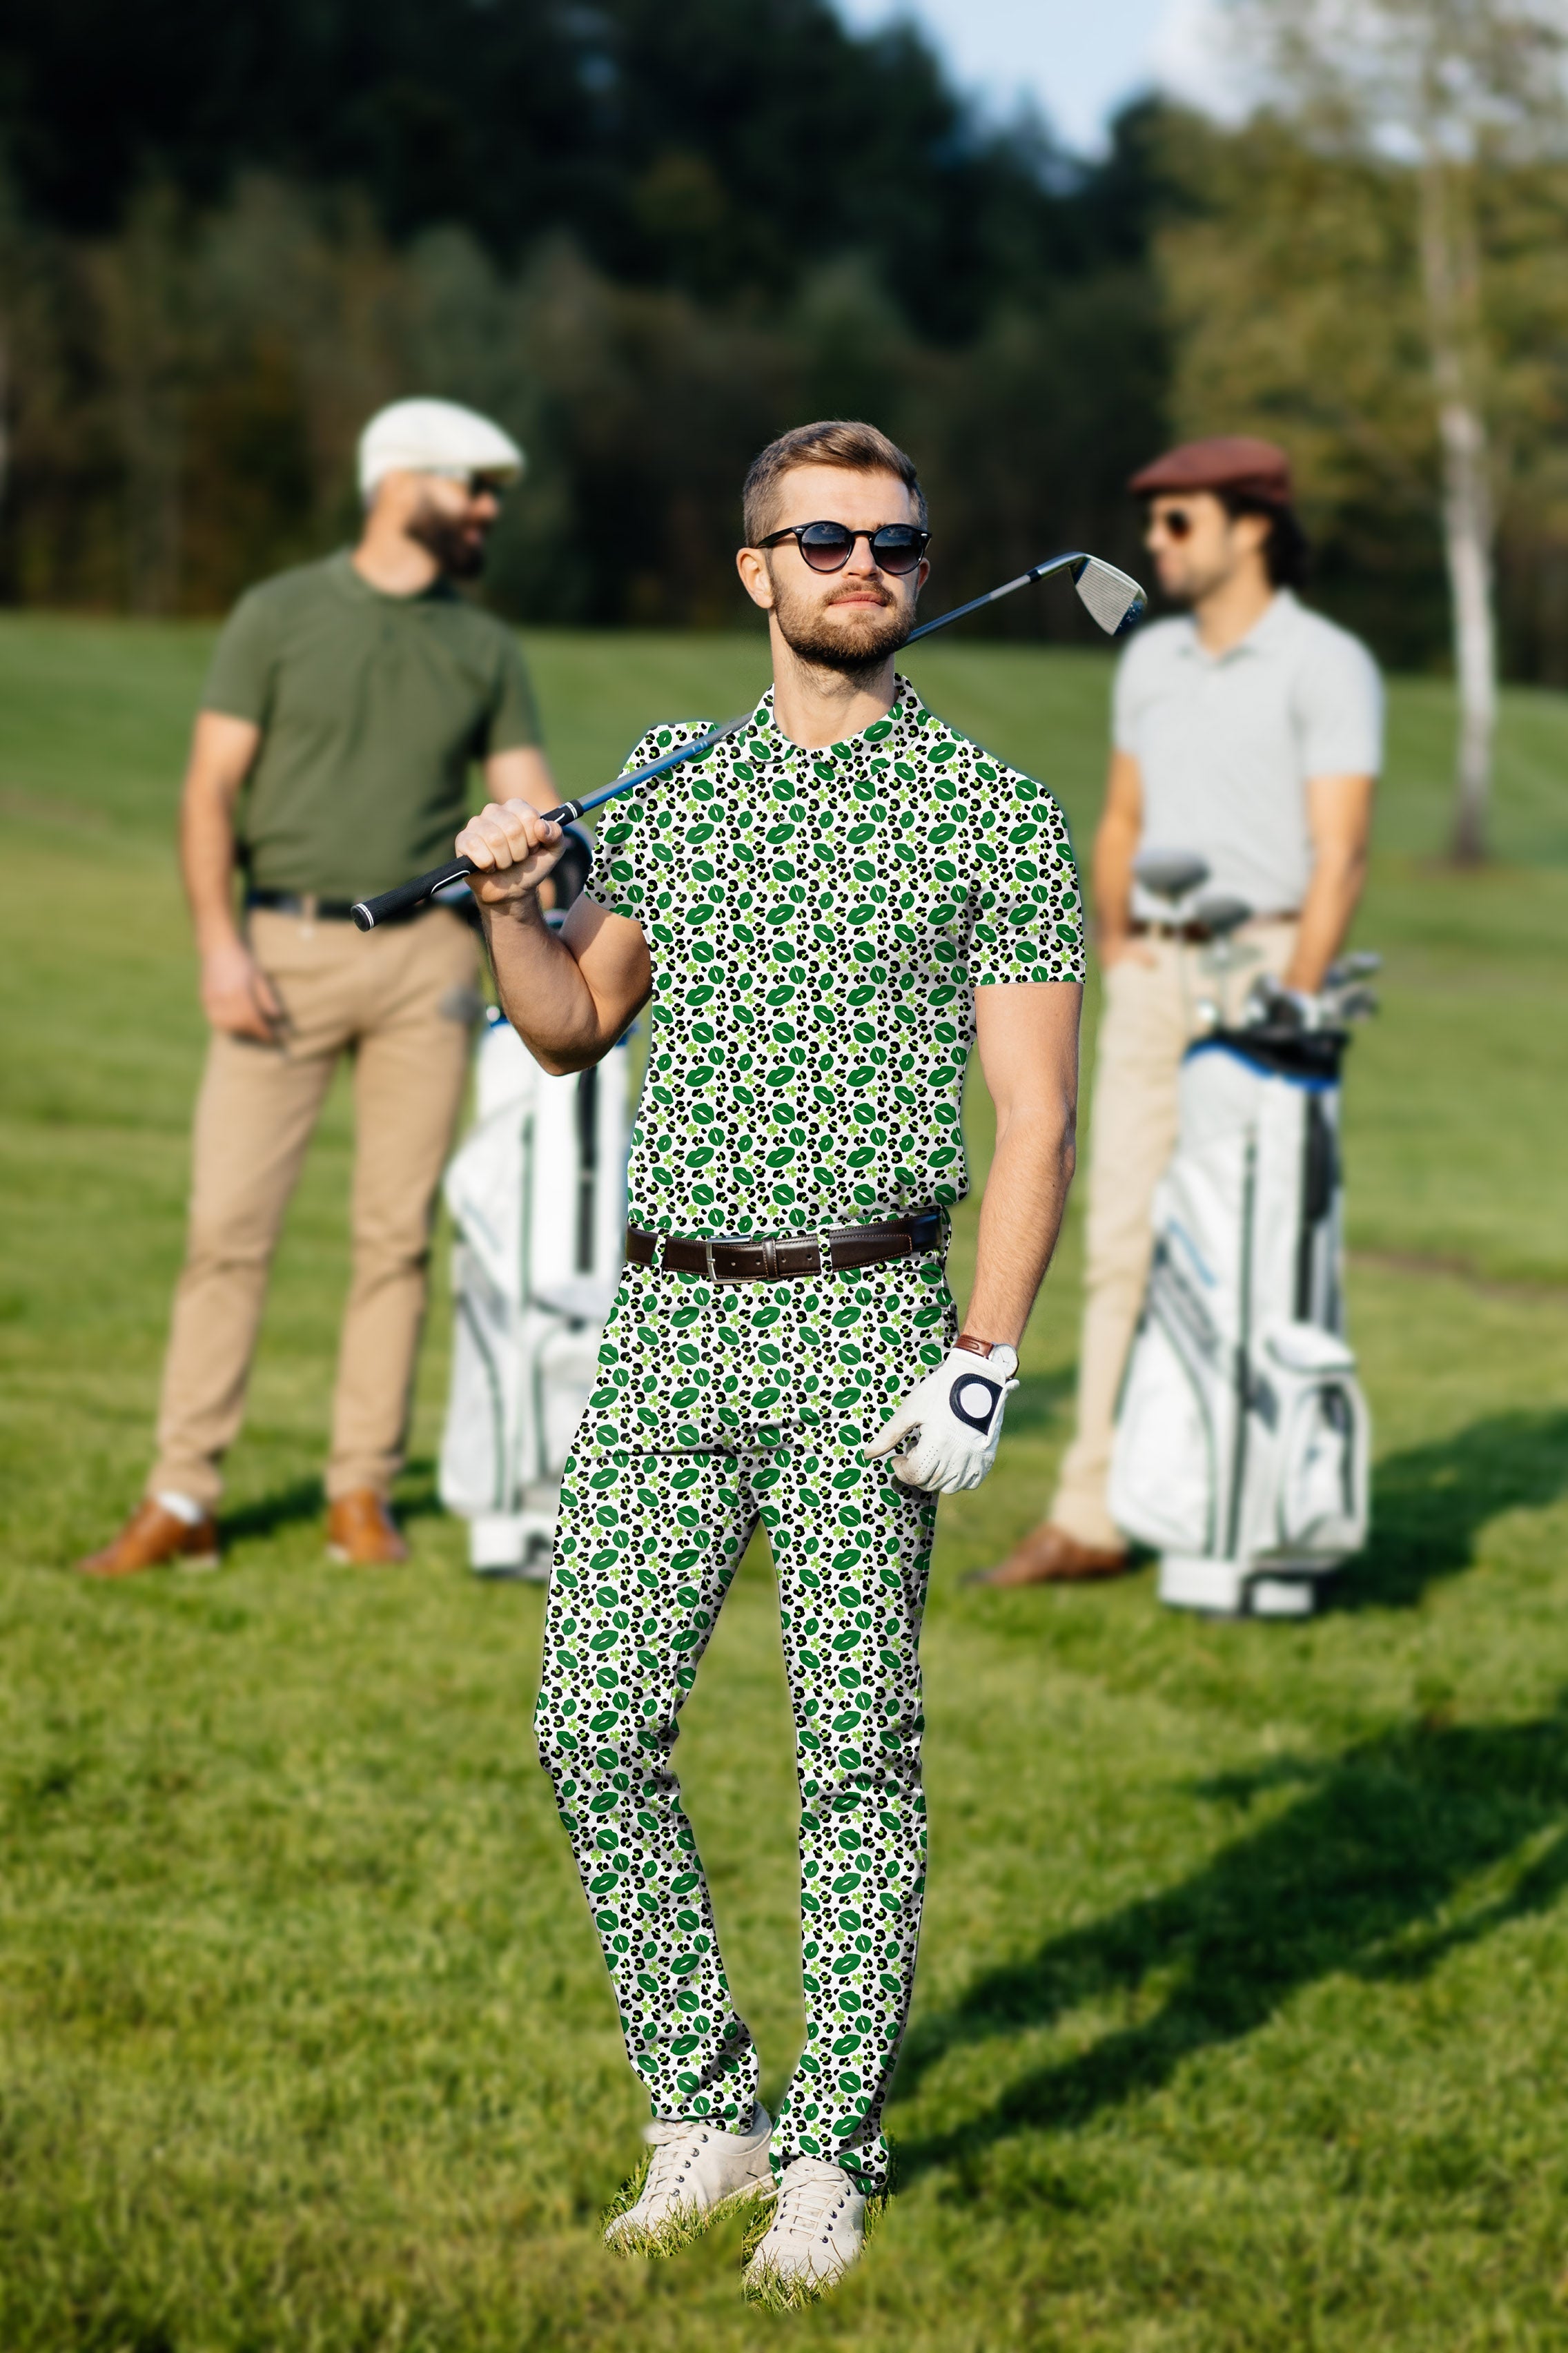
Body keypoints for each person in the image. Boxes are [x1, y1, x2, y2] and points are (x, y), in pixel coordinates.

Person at [453, 419, 1083, 2298]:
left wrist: (986, 1352)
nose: (862, 566)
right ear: (760, 575)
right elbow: (569, 1026)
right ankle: (704, 2103)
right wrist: (508, 899)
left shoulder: (998, 811)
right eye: (822, 540)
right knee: (592, 1723)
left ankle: (833, 2150)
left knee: (852, 1756)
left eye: (893, 540)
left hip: (869, 1319)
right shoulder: (675, 788)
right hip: (666, 1322)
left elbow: (1036, 1119)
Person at [79, 397, 558, 1577]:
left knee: (394, 1238)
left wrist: (549, 893)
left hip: (429, 967)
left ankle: (360, 1496)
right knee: (226, 1231)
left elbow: (534, 800)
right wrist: (217, 947)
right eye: (472, 486)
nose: (489, 509)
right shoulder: (277, 614)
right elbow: (209, 792)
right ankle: (184, 1494)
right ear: (400, 484)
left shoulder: (484, 644)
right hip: (278, 950)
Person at [978, 433, 1382, 1589]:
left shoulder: (1326, 662)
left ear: (1253, 525)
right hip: (1153, 974)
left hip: (1265, 972)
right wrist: (1121, 947)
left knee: (1250, 1251)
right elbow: (1120, 821)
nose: (1155, 544)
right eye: (1151, 523)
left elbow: (1342, 854)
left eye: (1179, 522)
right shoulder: (1149, 662)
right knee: (1117, 1245)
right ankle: (1094, 1511)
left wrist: (1293, 1003)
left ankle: (1245, 1510)